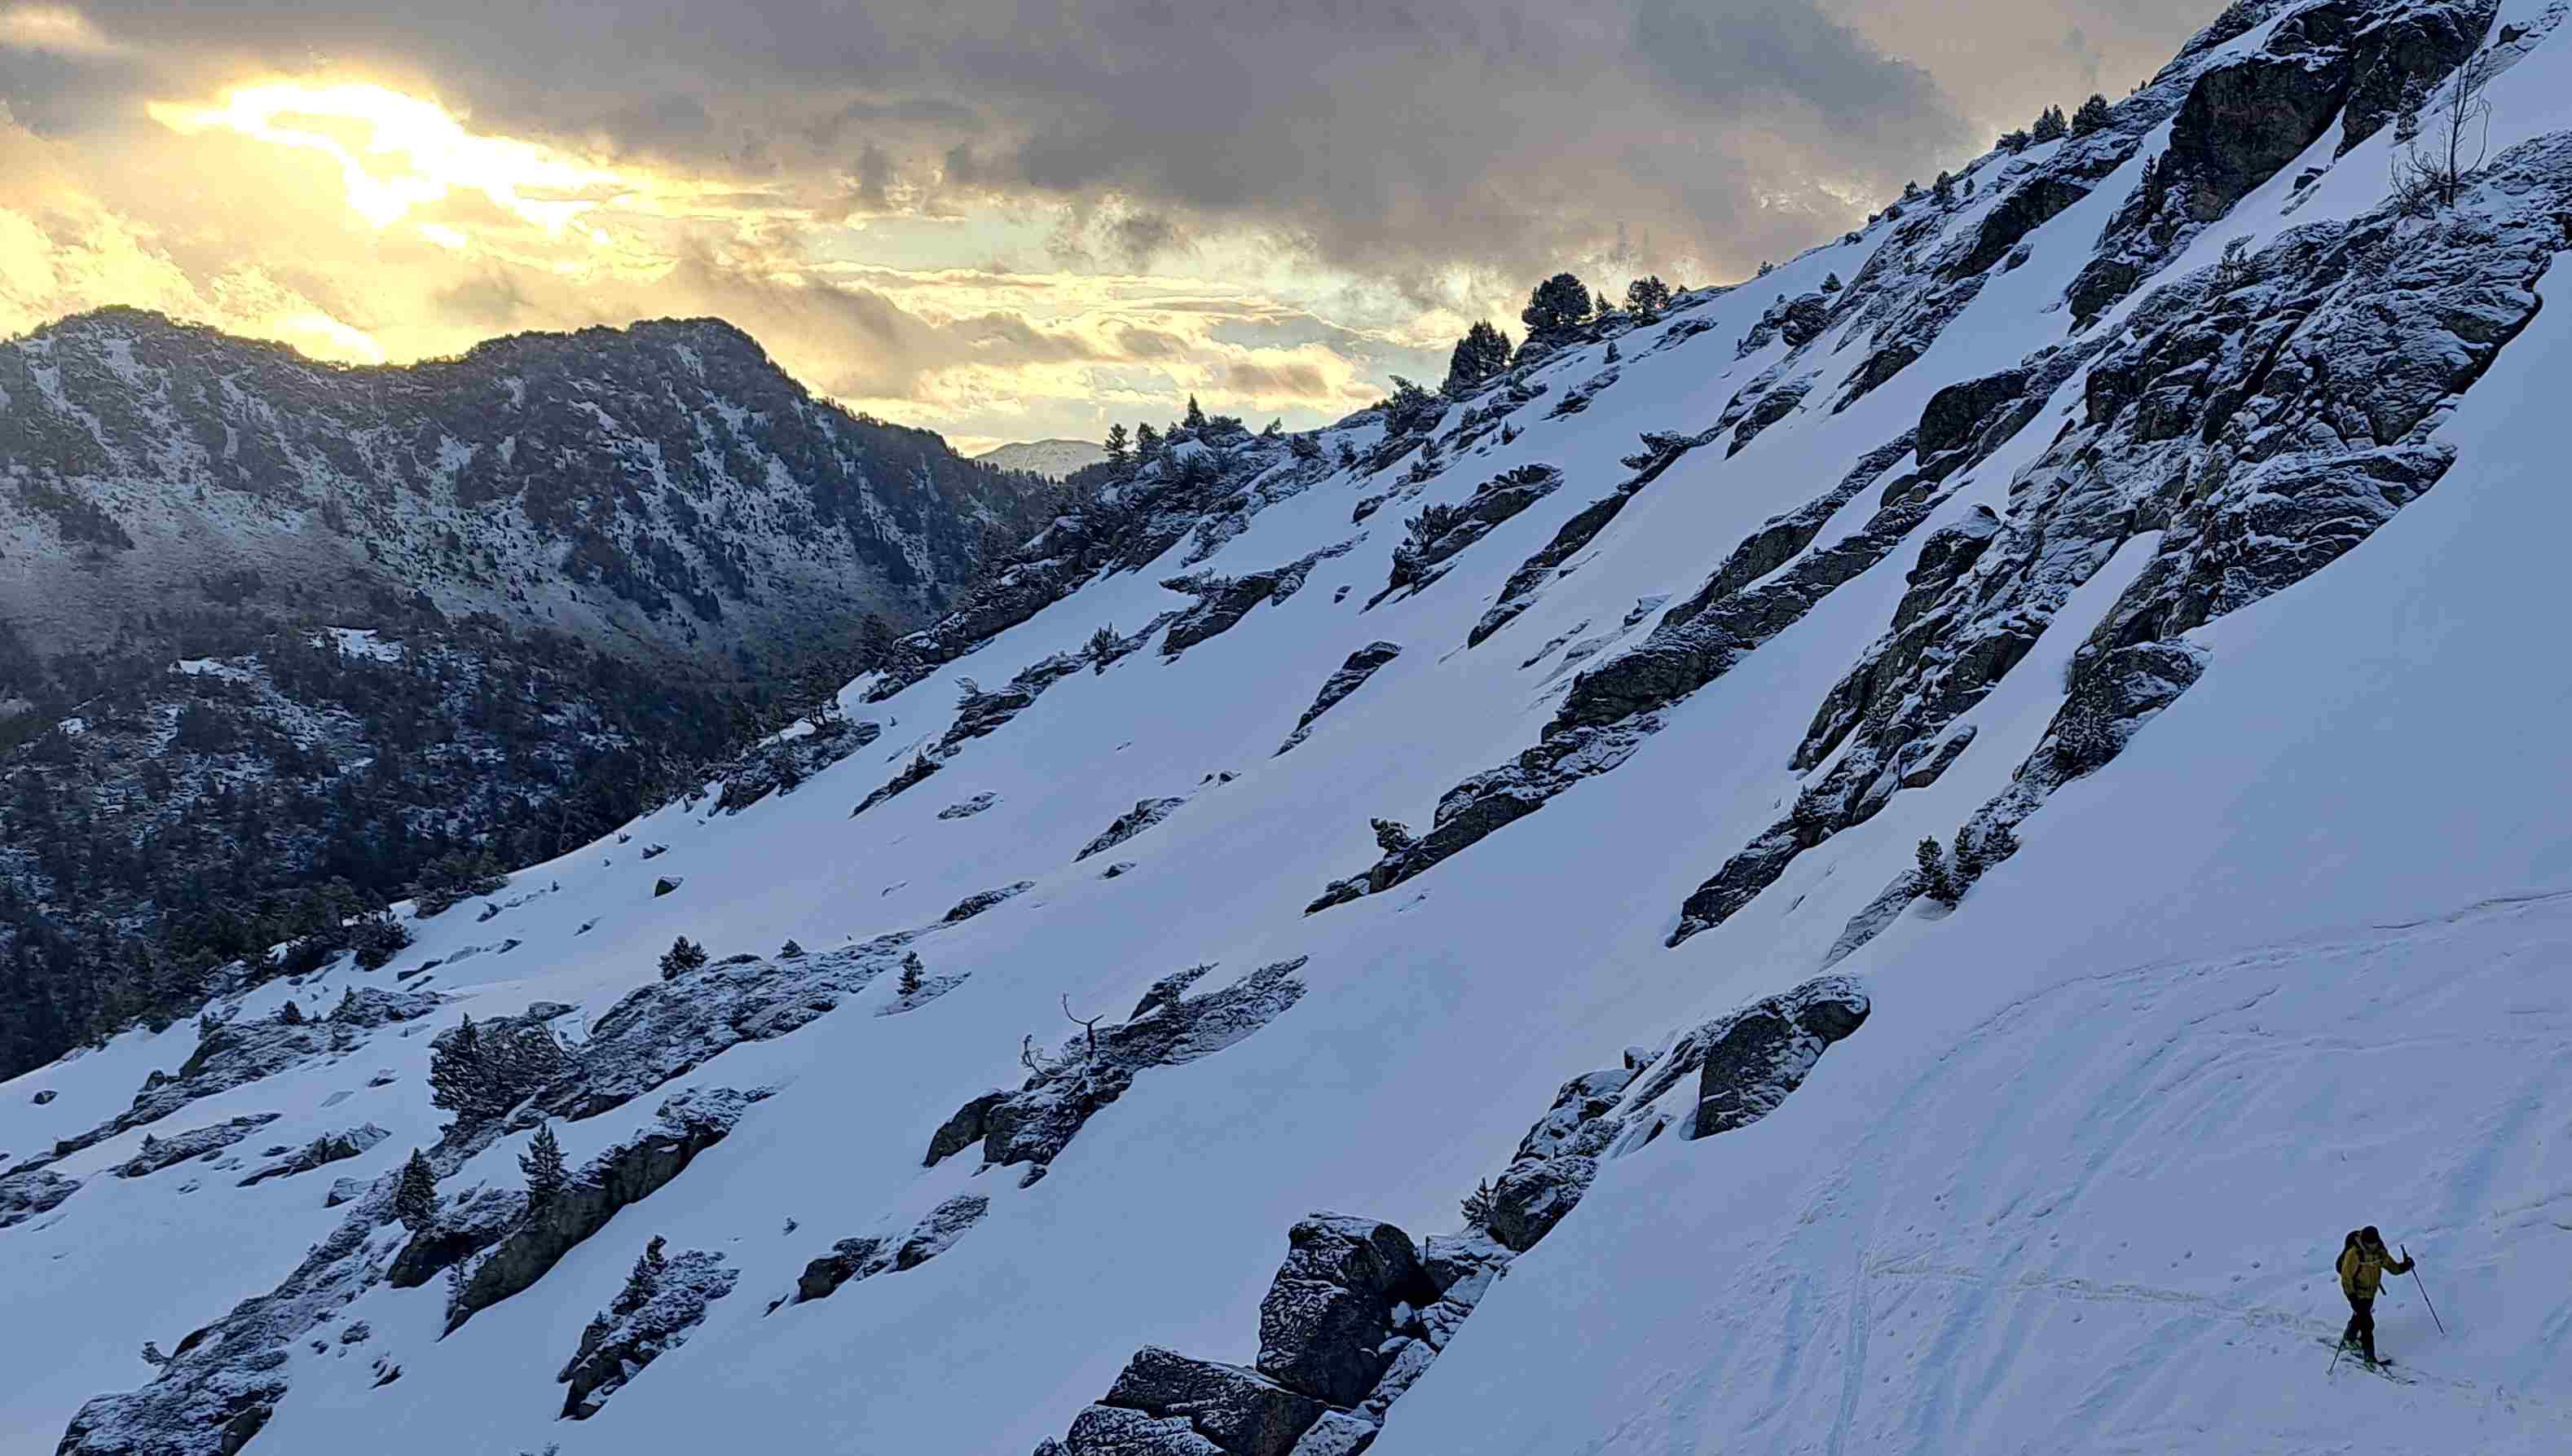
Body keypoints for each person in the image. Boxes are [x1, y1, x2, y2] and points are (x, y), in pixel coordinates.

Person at [2337, 1225, 2414, 1366]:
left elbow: (2393, 1268)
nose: (2373, 1245)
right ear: (2364, 1241)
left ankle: (2349, 1338)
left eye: (2375, 1242)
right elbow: (2346, 1278)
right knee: (2367, 1325)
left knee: (2359, 1317)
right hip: (2357, 1293)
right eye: (2370, 1243)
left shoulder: (2380, 1251)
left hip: (2371, 1293)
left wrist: (2405, 1266)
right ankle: (2370, 1358)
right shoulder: (2354, 1254)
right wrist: (2352, 1298)